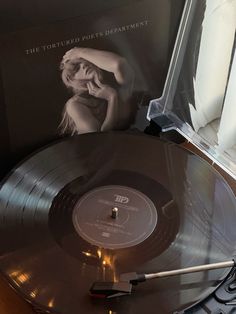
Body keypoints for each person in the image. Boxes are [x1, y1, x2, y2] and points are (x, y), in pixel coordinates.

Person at [59, 47, 136, 134]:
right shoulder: (75, 104)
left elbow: (120, 64)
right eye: (77, 68)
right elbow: (98, 137)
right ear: (72, 79)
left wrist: (80, 52)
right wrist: (112, 98)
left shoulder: (113, 82)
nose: (83, 65)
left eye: (84, 61)